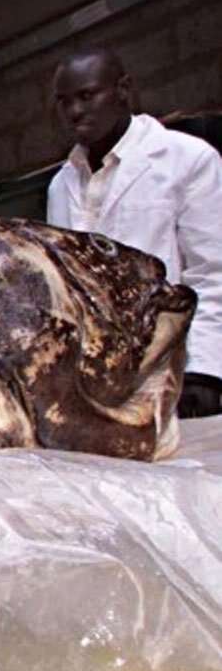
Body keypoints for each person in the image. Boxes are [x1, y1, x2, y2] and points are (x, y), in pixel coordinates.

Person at [47, 47, 222, 418]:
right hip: (102, 390)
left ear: (123, 90)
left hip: (179, 378)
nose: (75, 111)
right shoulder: (61, 185)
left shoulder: (187, 159)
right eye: (64, 102)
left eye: (87, 96)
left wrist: (204, 372)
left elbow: (212, 271)